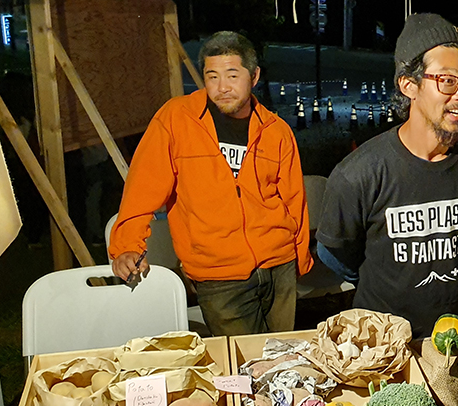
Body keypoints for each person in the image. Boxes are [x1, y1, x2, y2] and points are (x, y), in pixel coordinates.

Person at [316, 13, 458, 338]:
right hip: (382, 344)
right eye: (447, 81)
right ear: (409, 85)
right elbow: (336, 257)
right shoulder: (358, 174)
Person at [109, 31, 312, 336]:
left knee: (281, 361)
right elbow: (142, 188)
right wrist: (127, 246)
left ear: (253, 76)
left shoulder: (275, 129)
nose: (222, 87)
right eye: (212, 76)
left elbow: (294, 199)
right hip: (218, 275)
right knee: (243, 369)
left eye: (232, 75)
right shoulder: (177, 119)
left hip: (278, 266)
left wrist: (299, 258)